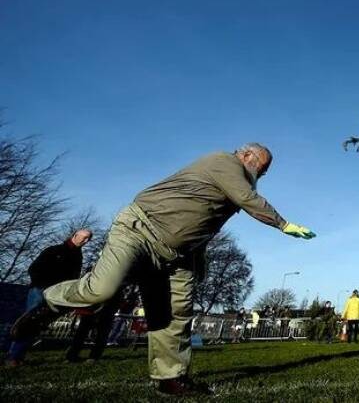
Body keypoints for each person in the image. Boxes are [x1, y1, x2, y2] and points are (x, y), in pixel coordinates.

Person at [11, 144, 316, 395]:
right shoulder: (224, 163)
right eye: (260, 166)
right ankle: (50, 300)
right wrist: (282, 223)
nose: (261, 173)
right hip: (140, 230)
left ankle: (170, 378)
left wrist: (200, 263)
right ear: (245, 155)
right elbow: (247, 198)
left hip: (177, 255)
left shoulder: (235, 185)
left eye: (264, 171)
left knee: (176, 314)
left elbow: (204, 226)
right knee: (101, 290)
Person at [5, 229, 93, 366]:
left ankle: (17, 356)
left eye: (88, 239)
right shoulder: (54, 250)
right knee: (28, 322)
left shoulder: (78, 256)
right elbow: (33, 268)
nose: (86, 241)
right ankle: (12, 357)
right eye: (84, 237)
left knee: (37, 324)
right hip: (41, 290)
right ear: (75, 235)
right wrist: (43, 285)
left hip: (58, 295)